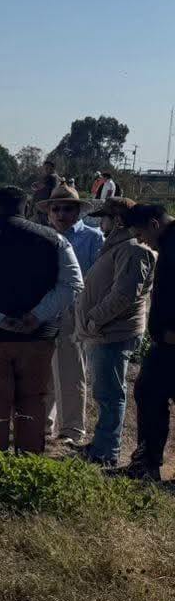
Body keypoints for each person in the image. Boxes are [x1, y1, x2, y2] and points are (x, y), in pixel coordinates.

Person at [0, 186, 83, 453]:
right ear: (28, 210)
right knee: (32, 399)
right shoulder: (55, 240)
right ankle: (29, 460)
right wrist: (37, 316)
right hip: (38, 337)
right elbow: (72, 284)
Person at [76, 198, 154, 465]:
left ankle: (107, 453)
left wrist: (94, 319)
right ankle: (101, 444)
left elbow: (124, 295)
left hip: (113, 332)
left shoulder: (133, 249)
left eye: (105, 218)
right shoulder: (119, 246)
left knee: (110, 395)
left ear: (118, 220)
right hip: (105, 331)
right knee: (105, 393)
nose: (101, 223)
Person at [44, 185, 104, 446]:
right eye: (55, 209)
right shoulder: (44, 237)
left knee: (70, 371)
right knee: (43, 371)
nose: (61, 214)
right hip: (44, 312)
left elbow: (98, 279)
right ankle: (43, 424)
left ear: (78, 211)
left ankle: (71, 429)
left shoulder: (92, 238)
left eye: (67, 209)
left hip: (74, 311)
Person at [130, 203, 175, 477]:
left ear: (154, 224)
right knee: (148, 393)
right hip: (165, 343)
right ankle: (146, 465)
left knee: (149, 393)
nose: (142, 241)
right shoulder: (168, 244)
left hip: (172, 343)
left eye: (141, 234)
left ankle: (147, 465)